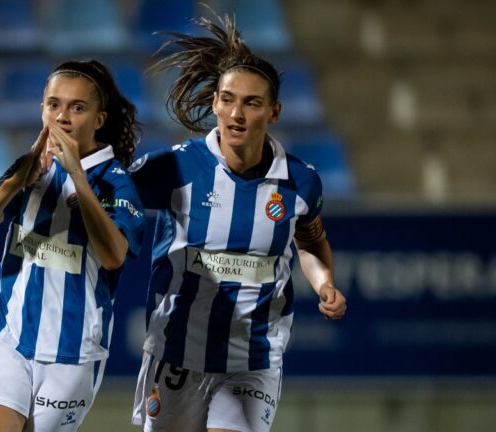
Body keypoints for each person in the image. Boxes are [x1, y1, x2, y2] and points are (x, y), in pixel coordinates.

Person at [128, 12, 347, 432]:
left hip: (254, 358)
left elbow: (310, 241)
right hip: (177, 352)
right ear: (214, 103)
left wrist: (324, 283)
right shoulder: (176, 167)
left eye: (252, 102)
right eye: (227, 99)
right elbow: (110, 198)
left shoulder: (300, 182)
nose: (237, 113)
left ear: (275, 111)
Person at [0, 60, 145, 432]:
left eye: (77, 108)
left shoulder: (116, 183)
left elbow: (113, 257)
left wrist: (77, 176)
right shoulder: (30, 168)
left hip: (71, 353)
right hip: (6, 335)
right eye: (53, 105)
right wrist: (16, 182)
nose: (62, 117)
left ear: (99, 119)